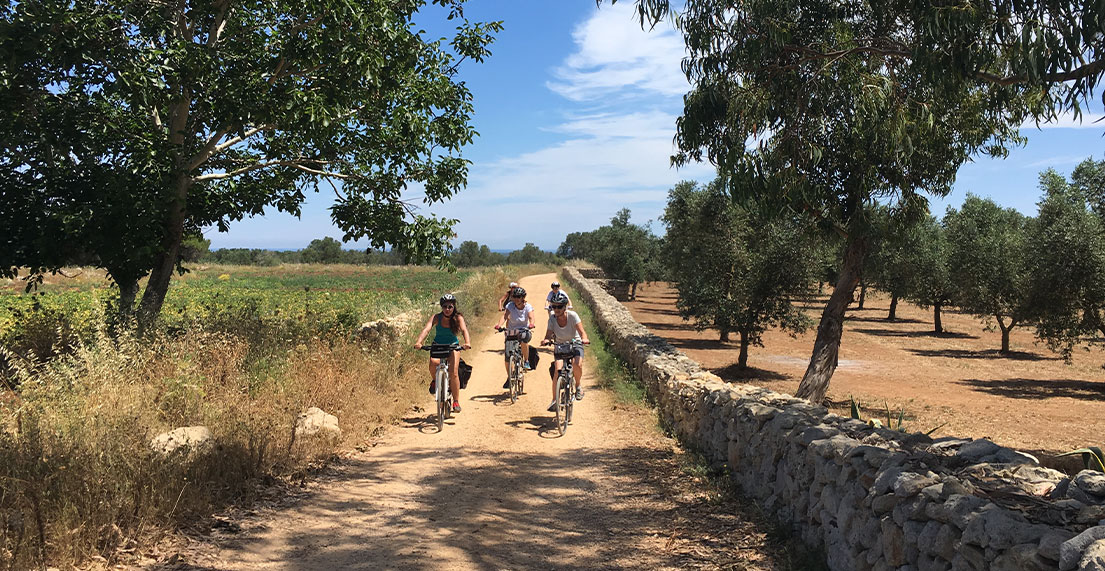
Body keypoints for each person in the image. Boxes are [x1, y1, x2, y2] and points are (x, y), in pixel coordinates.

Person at [413, 294, 472, 413]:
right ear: (441, 307)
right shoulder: (436, 317)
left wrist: (467, 342)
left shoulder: (458, 317)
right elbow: (427, 329)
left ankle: (456, 401)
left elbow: (464, 330)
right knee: (433, 363)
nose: (447, 309)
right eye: (445, 306)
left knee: (453, 373)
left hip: (453, 346)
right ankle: (435, 380)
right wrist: (419, 342)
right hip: (438, 345)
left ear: (453, 306)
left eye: (450, 306)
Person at [540, 291, 590, 412]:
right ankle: (554, 400)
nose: (556, 309)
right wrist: (546, 340)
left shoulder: (573, 316)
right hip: (560, 345)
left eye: (559, 306)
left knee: (577, 364)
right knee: (557, 372)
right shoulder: (552, 319)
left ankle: (578, 386)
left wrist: (584, 339)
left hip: (575, 342)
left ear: (565, 307)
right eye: (554, 306)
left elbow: (582, 331)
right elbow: (548, 334)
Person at [494, 286, 536, 389]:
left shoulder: (528, 307)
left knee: (524, 339)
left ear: (523, 297)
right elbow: (505, 316)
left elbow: (531, 317)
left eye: (519, 297)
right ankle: (510, 377)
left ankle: (526, 361)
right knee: (508, 356)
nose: (517, 299)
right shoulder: (510, 305)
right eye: (515, 296)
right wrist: (499, 325)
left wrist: (531, 324)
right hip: (511, 331)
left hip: (524, 330)